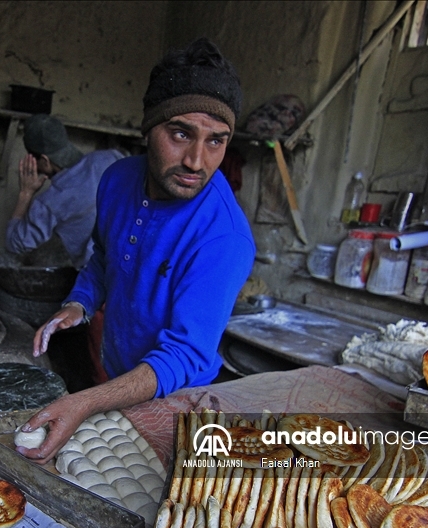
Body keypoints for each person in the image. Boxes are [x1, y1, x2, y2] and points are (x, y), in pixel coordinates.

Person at [16, 38, 255, 463]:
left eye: (216, 141)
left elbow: (184, 353)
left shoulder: (224, 237)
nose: (196, 161)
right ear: (149, 127)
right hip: (118, 371)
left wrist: (88, 400)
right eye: (181, 134)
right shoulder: (116, 180)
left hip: (184, 400)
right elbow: (105, 258)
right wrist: (79, 302)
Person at [6, 114, 124, 268]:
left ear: (45, 161)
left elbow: (15, 243)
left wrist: (25, 194)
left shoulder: (50, 201)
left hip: (104, 279)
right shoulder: (110, 158)